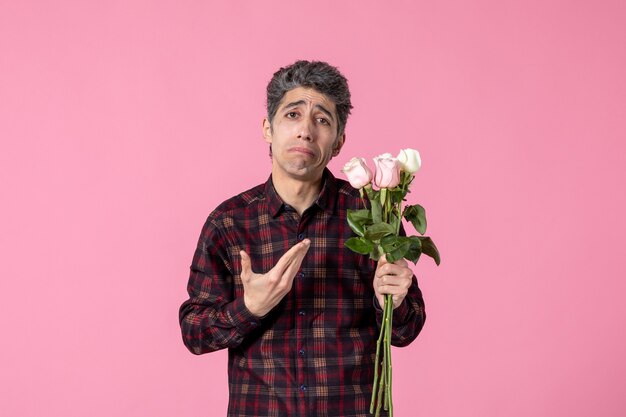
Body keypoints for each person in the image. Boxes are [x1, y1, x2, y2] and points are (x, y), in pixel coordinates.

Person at [179, 60, 426, 417]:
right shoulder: (228, 222)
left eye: (322, 120)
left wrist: (394, 299)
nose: (306, 131)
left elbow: (405, 331)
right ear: (268, 128)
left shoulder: (374, 214)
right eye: (292, 115)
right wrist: (249, 309)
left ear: (339, 141)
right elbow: (194, 333)